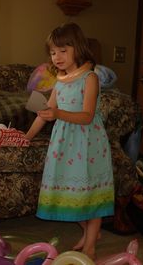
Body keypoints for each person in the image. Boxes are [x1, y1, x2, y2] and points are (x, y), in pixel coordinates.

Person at [25, 22, 114, 260]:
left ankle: (91, 244)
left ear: (78, 48)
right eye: (53, 52)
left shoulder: (90, 78)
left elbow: (86, 116)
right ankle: (90, 232)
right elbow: (45, 113)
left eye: (63, 50)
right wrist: (26, 137)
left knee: (90, 192)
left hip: (87, 144)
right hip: (64, 144)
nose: (57, 57)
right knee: (73, 193)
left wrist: (58, 114)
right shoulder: (60, 81)